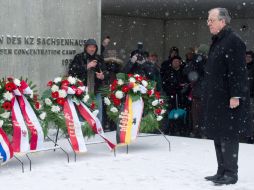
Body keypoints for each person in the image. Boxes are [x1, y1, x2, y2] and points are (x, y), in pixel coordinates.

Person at [202, 8, 251, 185]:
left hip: (228, 99)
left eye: (211, 20)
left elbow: (238, 71)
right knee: (218, 134)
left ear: (222, 22)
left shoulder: (233, 41)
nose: (208, 23)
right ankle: (221, 170)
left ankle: (231, 173)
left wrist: (236, 95)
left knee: (228, 136)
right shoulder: (218, 40)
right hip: (216, 98)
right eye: (208, 20)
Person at [68, 39, 106, 123]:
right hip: (82, 91)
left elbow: (105, 72)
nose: (92, 49)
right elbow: (72, 71)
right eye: (90, 47)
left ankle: (98, 132)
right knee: (83, 114)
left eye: (94, 47)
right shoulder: (79, 57)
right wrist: (87, 66)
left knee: (98, 113)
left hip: (96, 90)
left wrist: (102, 76)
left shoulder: (99, 58)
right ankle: (84, 132)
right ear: (86, 47)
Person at [246, 51, 254, 143]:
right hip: (243, 96)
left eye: (249, 57)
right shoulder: (242, 67)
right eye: (246, 56)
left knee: (250, 116)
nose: (247, 58)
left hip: (251, 96)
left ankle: (250, 136)